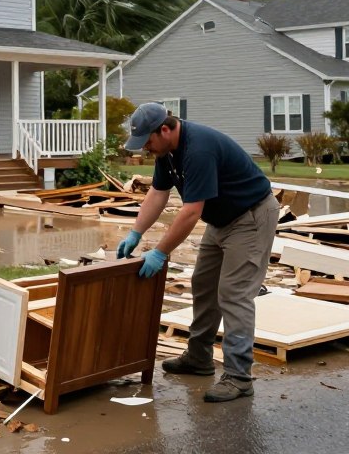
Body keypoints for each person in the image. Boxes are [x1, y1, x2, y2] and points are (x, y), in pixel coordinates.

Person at [116, 102, 278, 403]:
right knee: (203, 284)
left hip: (251, 217)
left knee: (234, 294)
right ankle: (199, 358)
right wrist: (136, 232)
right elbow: (158, 193)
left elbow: (191, 212)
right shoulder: (167, 151)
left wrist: (160, 252)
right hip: (222, 219)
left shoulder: (198, 149)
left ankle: (239, 377)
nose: (146, 149)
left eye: (148, 142)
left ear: (164, 129)